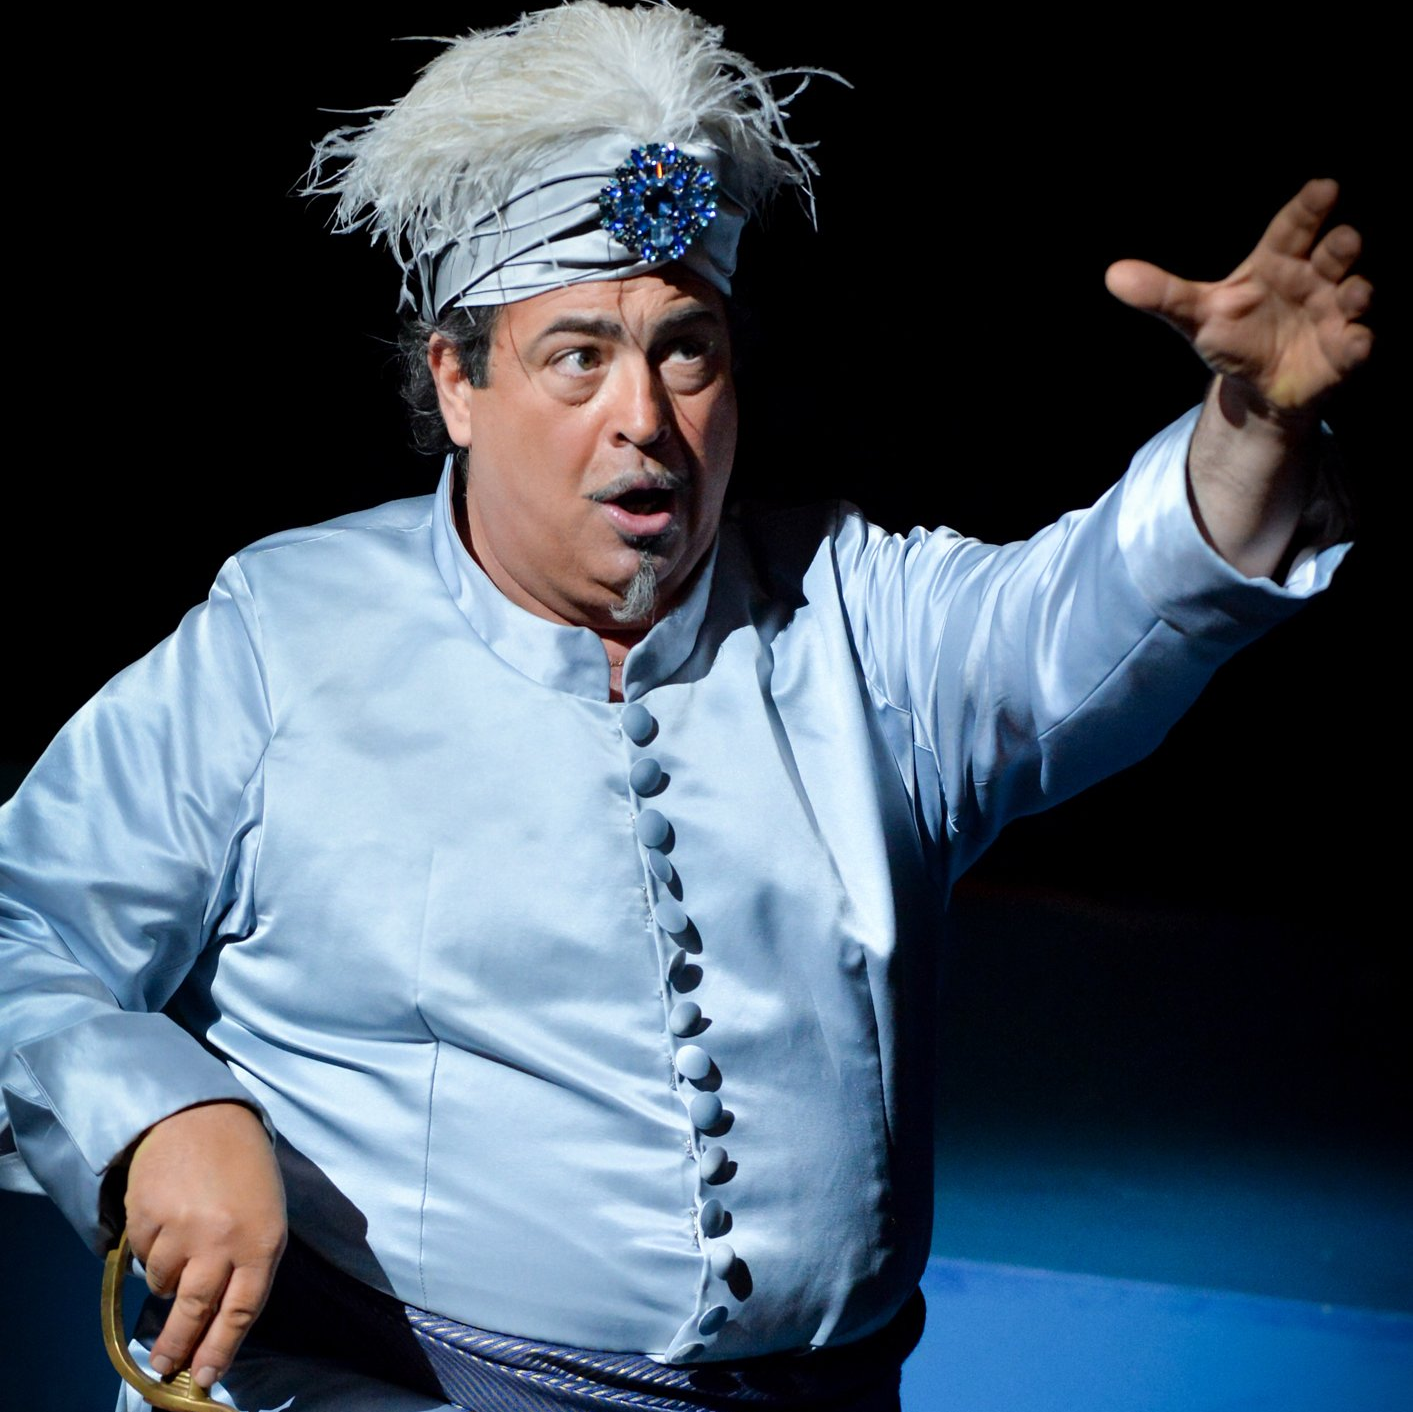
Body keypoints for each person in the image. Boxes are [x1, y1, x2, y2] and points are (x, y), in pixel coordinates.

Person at [0, 4, 1372, 1409]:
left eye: (686, 349)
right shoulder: (284, 637)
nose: (645, 418)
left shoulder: (852, 617)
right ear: (458, 381)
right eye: (578, 356)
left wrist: (1256, 431)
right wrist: (156, 1110)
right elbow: (21, 926)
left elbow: (1086, 618)